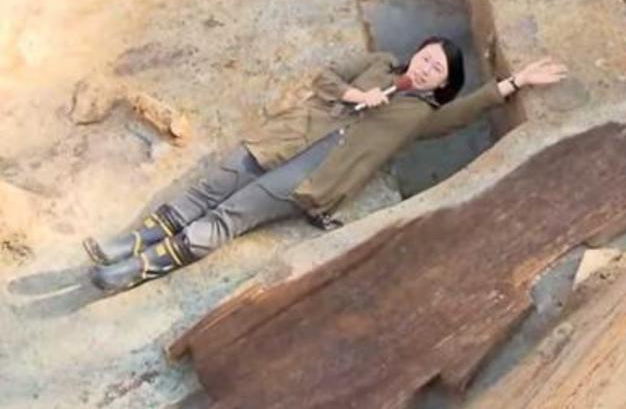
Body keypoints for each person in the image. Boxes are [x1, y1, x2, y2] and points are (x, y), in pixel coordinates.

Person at [82, 36, 569, 292]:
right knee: (211, 186)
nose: (425, 67)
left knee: (229, 214)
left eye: (437, 70)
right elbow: (327, 77)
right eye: (426, 57)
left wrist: (516, 82)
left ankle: (139, 268)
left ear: (442, 85)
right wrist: (357, 93)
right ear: (414, 54)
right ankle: (130, 240)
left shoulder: (421, 115)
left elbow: (466, 113)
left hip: (313, 174)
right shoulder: (378, 64)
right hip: (284, 138)